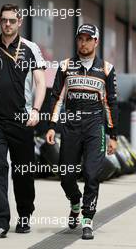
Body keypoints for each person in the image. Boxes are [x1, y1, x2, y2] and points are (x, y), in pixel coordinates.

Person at [0, 3, 46, 239]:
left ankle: (24, 215)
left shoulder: (30, 49)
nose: (8, 24)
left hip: (21, 119)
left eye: (12, 21)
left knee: (22, 171)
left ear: (19, 22)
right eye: (4, 20)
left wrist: (36, 109)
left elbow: (40, 82)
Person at [46, 24, 118, 240]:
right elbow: (57, 98)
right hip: (71, 126)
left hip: (95, 126)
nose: (83, 43)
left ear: (96, 41)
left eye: (88, 39)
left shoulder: (106, 69)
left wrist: (112, 135)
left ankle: (87, 219)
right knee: (66, 175)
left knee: (91, 173)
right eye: (80, 39)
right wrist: (51, 125)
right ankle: (75, 202)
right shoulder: (65, 66)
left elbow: (110, 103)